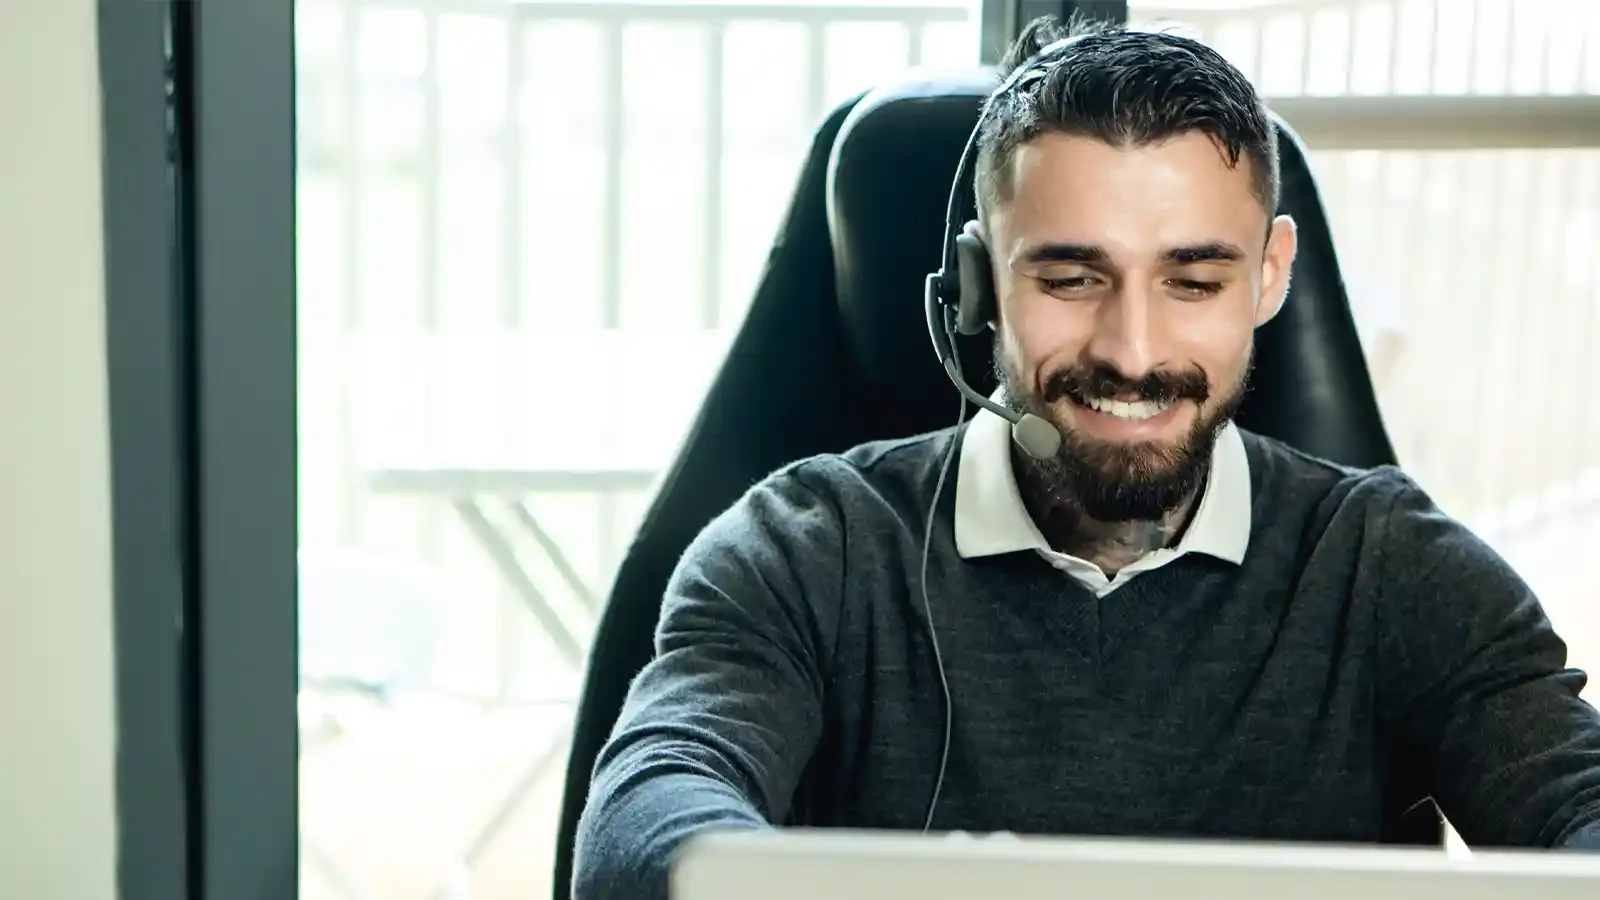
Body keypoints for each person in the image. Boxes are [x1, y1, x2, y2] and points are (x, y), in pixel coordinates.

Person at [570, 17, 1600, 900]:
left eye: (1193, 282)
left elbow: (1577, 803)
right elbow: (648, 814)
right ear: (977, 286)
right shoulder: (805, 548)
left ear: (1269, 279)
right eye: (1070, 278)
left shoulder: (1392, 565)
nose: (1132, 352)